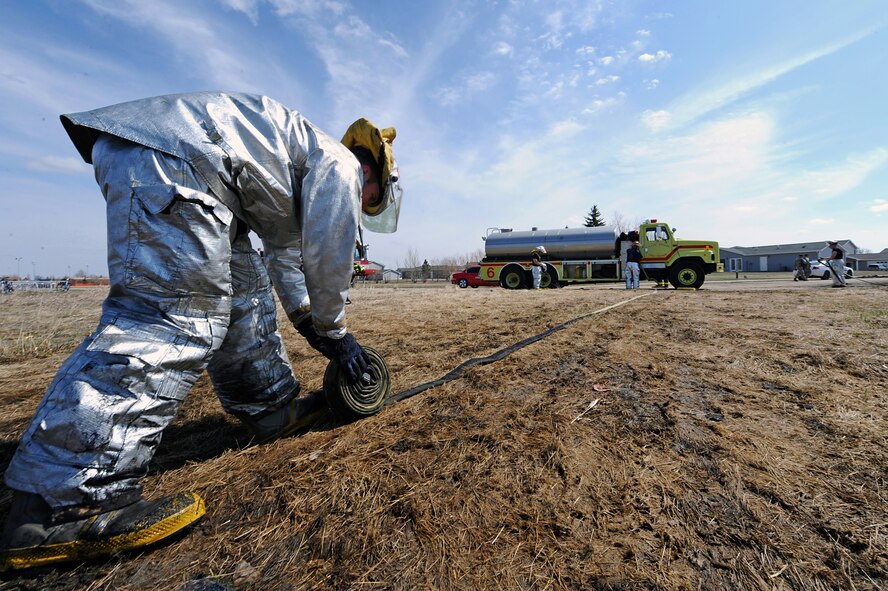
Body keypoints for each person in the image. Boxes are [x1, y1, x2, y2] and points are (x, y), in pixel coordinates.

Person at [0, 92, 401, 571]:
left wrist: (311, 325)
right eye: (372, 203)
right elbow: (327, 256)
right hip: (177, 162)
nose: (366, 208)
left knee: (242, 292)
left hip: (191, 166)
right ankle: (58, 503)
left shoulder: (302, 163)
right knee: (175, 317)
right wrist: (336, 332)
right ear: (373, 174)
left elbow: (286, 258)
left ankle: (270, 408)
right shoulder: (340, 165)